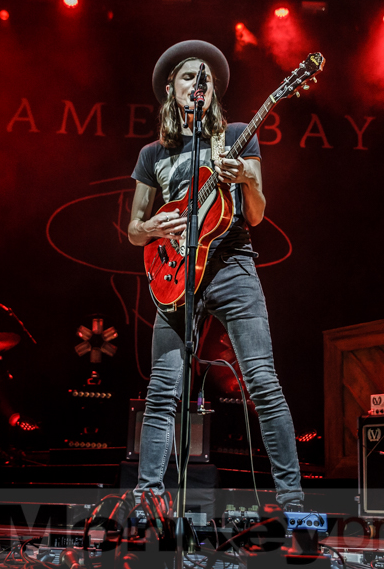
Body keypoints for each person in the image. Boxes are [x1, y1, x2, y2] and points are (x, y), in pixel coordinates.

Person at [127, 40, 303, 510]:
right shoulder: (153, 154)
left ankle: (293, 503)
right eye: (188, 75)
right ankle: (148, 499)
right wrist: (148, 227)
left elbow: (258, 213)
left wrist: (244, 178)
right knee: (162, 392)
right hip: (175, 276)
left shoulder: (240, 134)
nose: (196, 82)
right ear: (171, 89)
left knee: (263, 381)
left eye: (204, 76)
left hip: (232, 265)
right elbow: (133, 230)